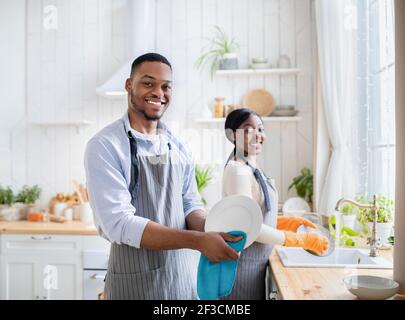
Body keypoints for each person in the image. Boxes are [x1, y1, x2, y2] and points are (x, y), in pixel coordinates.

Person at [84, 53, 242, 300]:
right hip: (135, 284)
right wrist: (199, 241)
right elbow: (119, 223)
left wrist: (214, 228)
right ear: (129, 85)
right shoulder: (106, 146)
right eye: (148, 83)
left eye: (166, 86)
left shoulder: (177, 146)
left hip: (183, 282)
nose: (159, 92)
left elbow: (190, 204)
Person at [222, 108, 329, 300]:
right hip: (242, 267)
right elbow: (248, 226)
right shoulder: (237, 171)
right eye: (248, 130)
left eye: (261, 129)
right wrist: (299, 240)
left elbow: (256, 213)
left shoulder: (251, 168)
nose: (258, 135)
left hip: (255, 265)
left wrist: (286, 222)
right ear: (232, 136)